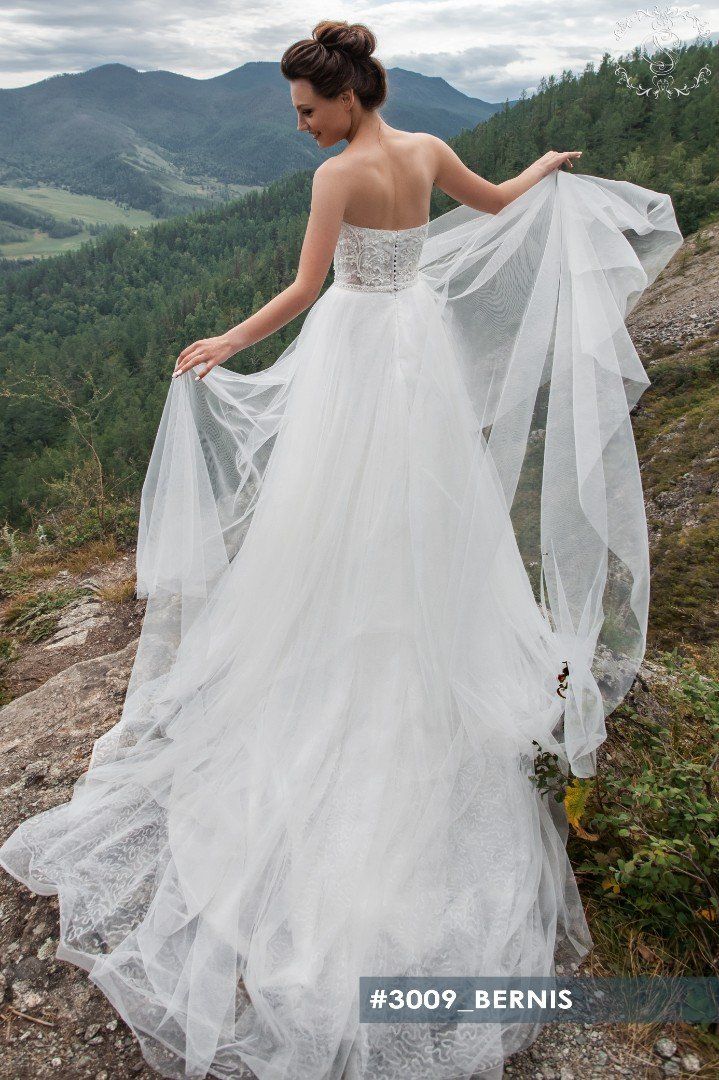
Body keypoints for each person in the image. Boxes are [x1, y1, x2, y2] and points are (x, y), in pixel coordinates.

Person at [0, 18, 683, 1080]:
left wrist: (230, 342)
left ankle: (348, 643)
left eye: (307, 109)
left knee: (335, 512)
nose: (301, 126)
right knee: (417, 509)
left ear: (347, 97)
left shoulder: (338, 181)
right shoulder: (422, 153)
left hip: (358, 353)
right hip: (418, 350)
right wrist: (545, 164)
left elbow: (306, 293)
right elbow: (500, 203)